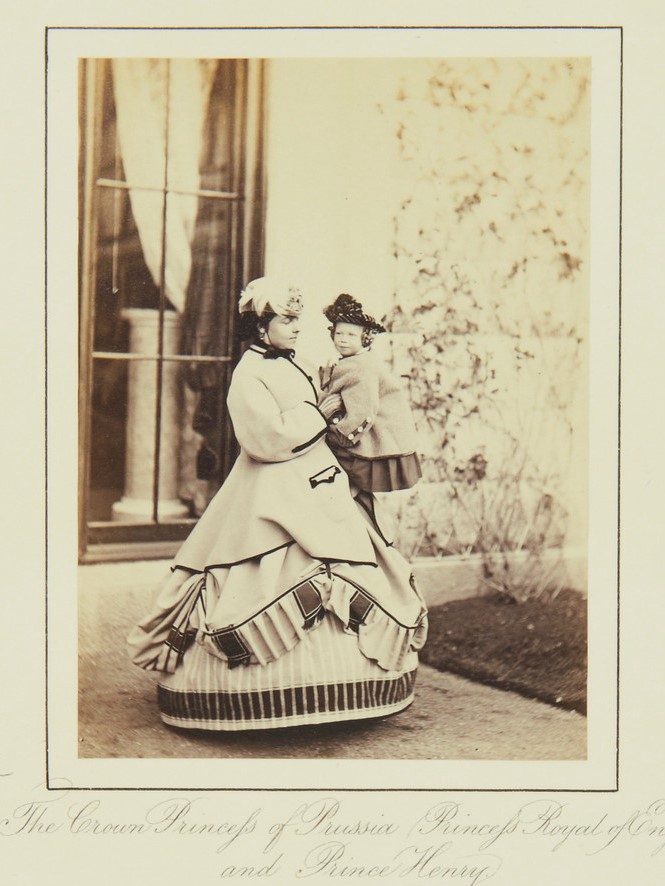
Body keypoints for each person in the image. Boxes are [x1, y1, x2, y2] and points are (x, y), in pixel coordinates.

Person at [128, 277, 427, 731]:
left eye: (297, 319)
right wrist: (319, 414)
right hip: (270, 491)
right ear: (260, 326)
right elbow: (265, 438)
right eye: (287, 320)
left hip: (321, 484)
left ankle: (349, 691)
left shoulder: (298, 362)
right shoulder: (248, 375)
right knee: (259, 569)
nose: (296, 327)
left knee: (347, 555)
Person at [319, 293, 422, 497]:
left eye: (351, 335)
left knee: (326, 454)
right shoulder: (351, 361)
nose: (343, 340)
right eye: (339, 333)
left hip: (374, 436)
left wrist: (340, 434)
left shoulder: (362, 368)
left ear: (365, 338)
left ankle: (350, 490)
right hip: (370, 431)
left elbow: (364, 410)